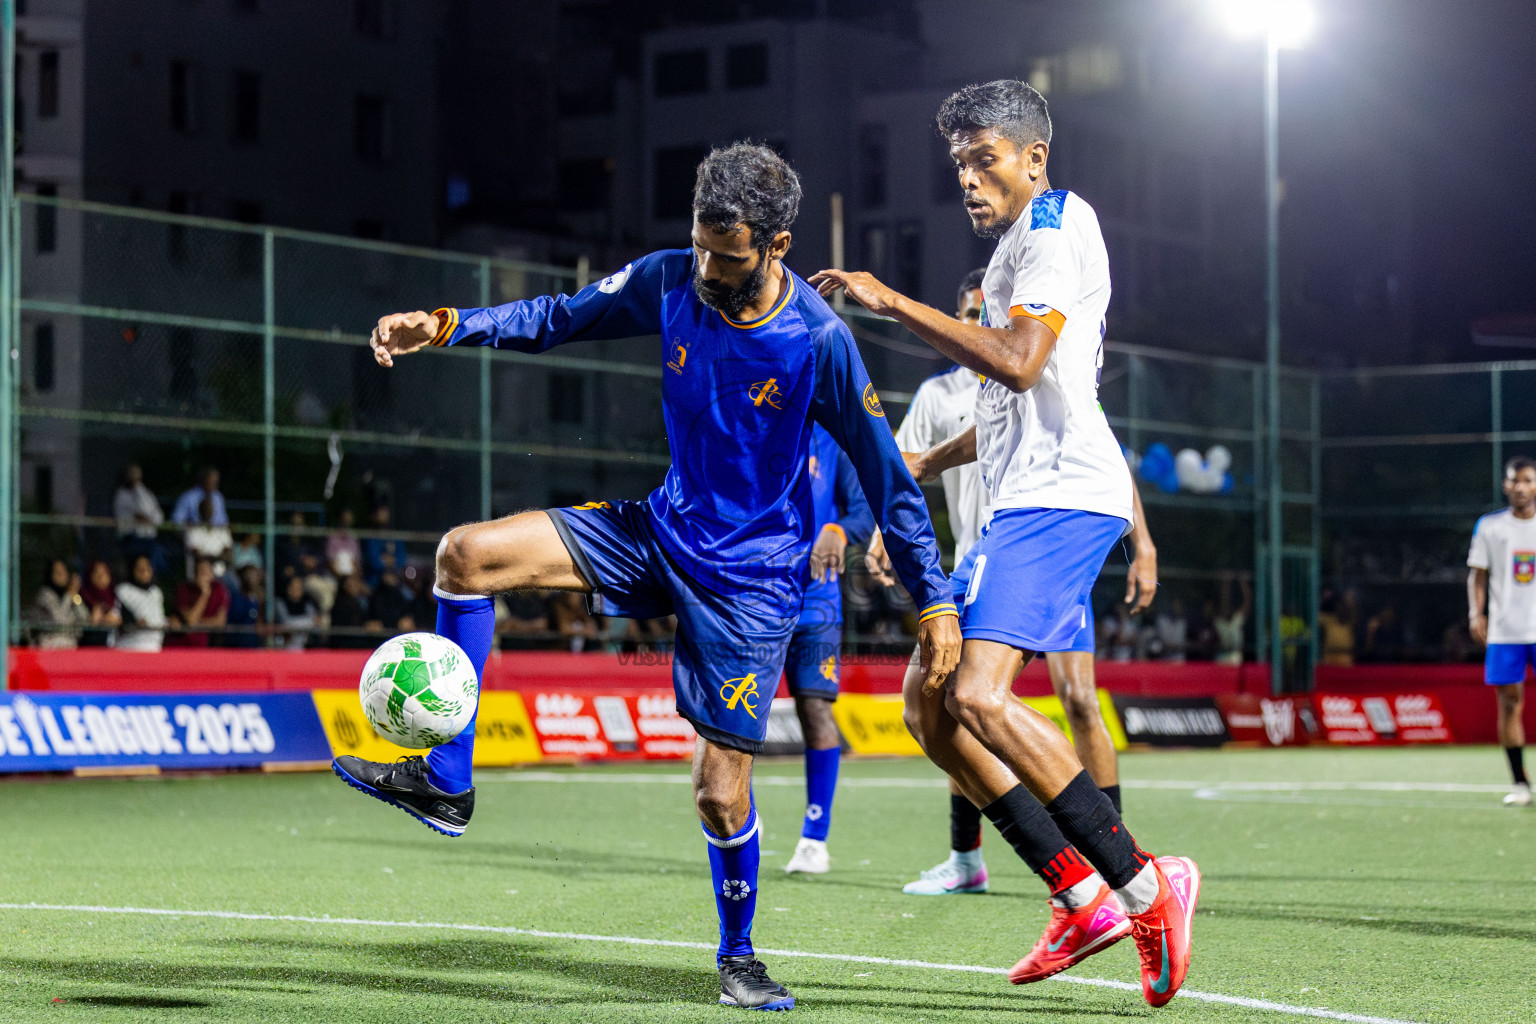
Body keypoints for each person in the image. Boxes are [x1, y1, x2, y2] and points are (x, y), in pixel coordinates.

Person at [330, 143, 961, 1012]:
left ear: (777, 245)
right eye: (700, 246)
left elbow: (891, 483)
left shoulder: (820, 340)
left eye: (728, 256)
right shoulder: (670, 278)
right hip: (659, 531)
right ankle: (446, 784)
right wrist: (442, 325)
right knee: (463, 555)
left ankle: (738, 955)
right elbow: (553, 316)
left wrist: (934, 600)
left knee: (715, 794)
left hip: (751, 584)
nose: (707, 269)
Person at [810, 81, 1197, 1006]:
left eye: (985, 160)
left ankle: (1146, 884)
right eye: (959, 167)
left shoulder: (1058, 228)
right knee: (931, 706)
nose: (970, 181)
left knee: (981, 694)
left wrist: (887, 298)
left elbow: (1020, 364)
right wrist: (915, 465)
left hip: (1063, 499)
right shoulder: (1014, 256)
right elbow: (1004, 410)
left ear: (1035, 158)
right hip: (1024, 501)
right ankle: (1078, 896)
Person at [879, 267, 1157, 904]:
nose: (983, 317)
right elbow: (910, 464)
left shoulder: (1039, 357)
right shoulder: (950, 392)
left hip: (1046, 542)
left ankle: (1118, 864)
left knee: (1066, 698)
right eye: (973, 309)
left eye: (992, 308)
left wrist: (1142, 541)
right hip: (988, 551)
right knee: (945, 695)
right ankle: (991, 862)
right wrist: (889, 516)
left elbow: (1100, 448)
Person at [782, 425, 875, 876]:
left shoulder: (833, 437)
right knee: (740, 716)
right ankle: (741, 826)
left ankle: (814, 839)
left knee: (815, 712)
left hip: (817, 598)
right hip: (751, 594)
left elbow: (863, 511)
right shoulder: (753, 420)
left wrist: (838, 528)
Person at [1467, 455, 1536, 807]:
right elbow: (1477, 575)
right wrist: (1475, 612)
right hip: (1506, 630)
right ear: (1506, 485)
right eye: (1515, 481)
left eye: (1527, 480)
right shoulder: (1490, 527)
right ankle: (1521, 783)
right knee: (1510, 705)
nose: (1521, 487)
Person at [113, 463, 165, 572]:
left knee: (158, 551)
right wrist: (137, 487)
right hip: (130, 538)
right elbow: (142, 510)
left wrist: (148, 518)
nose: (135, 478)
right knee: (152, 552)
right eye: (132, 475)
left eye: (137, 476)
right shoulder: (121, 495)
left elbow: (159, 517)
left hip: (149, 537)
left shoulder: (146, 493)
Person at [170, 556, 230, 647]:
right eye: (200, 571)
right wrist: (204, 594)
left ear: (212, 573)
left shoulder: (219, 589)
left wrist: (195, 624)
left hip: (207, 644)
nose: (203, 575)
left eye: (206, 571)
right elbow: (191, 621)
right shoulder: (183, 589)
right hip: (181, 644)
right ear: (195, 574)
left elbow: (220, 622)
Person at [31, 559, 88, 649]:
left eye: (64, 571)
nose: (63, 575)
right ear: (50, 575)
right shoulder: (45, 594)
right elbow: (59, 620)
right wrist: (69, 596)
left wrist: (75, 596)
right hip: (48, 647)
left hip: (69, 646)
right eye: (58, 572)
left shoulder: (70, 595)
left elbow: (85, 618)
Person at [115, 555, 167, 652]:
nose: (143, 571)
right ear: (132, 570)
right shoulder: (123, 590)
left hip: (155, 646)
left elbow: (158, 619)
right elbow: (117, 617)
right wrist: (133, 622)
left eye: (147, 567)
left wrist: (169, 621)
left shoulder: (156, 592)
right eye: (139, 568)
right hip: (130, 646)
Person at [184, 497, 234, 579]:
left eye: (210, 508)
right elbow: (197, 555)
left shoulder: (221, 529)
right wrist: (218, 557)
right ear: (200, 510)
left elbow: (229, 554)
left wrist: (208, 557)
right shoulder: (192, 530)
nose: (208, 511)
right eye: (205, 508)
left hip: (222, 573)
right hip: (200, 575)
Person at [79, 560, 123, 647]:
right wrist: (93, 621)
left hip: (115, 650)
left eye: (104, 572)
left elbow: (128, 620)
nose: (101, 576)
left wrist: (118, 621)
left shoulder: (116, 597)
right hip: (90, 650)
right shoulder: (82, 598)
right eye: (96, 572)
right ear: (89, 576)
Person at [275, 574, 320, 651]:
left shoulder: (308, 603)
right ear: (288, 588)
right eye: (293, 587)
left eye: (299, 587)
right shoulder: (280, 602)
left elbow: (316, 625)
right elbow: (285, 624)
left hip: (305, 646)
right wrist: (307, 622)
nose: (296, 590)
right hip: (285, 646)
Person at [225, 565, 266, 648]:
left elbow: (261, 622)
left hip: (253, 645)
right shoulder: (234, 599)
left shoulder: (259, 599)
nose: (250, 579)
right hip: (234, 645)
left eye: (254, 576)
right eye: (247, 575)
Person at [326, 508, 363, 579]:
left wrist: (353, 577)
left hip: (352, 577)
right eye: (345, 518)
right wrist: (341, 578)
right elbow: (330, 562)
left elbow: (357, 562)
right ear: (340, 519)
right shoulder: (332, 538)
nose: (347, 520)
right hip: (335, 576)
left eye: (349, 518)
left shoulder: (353, 539)